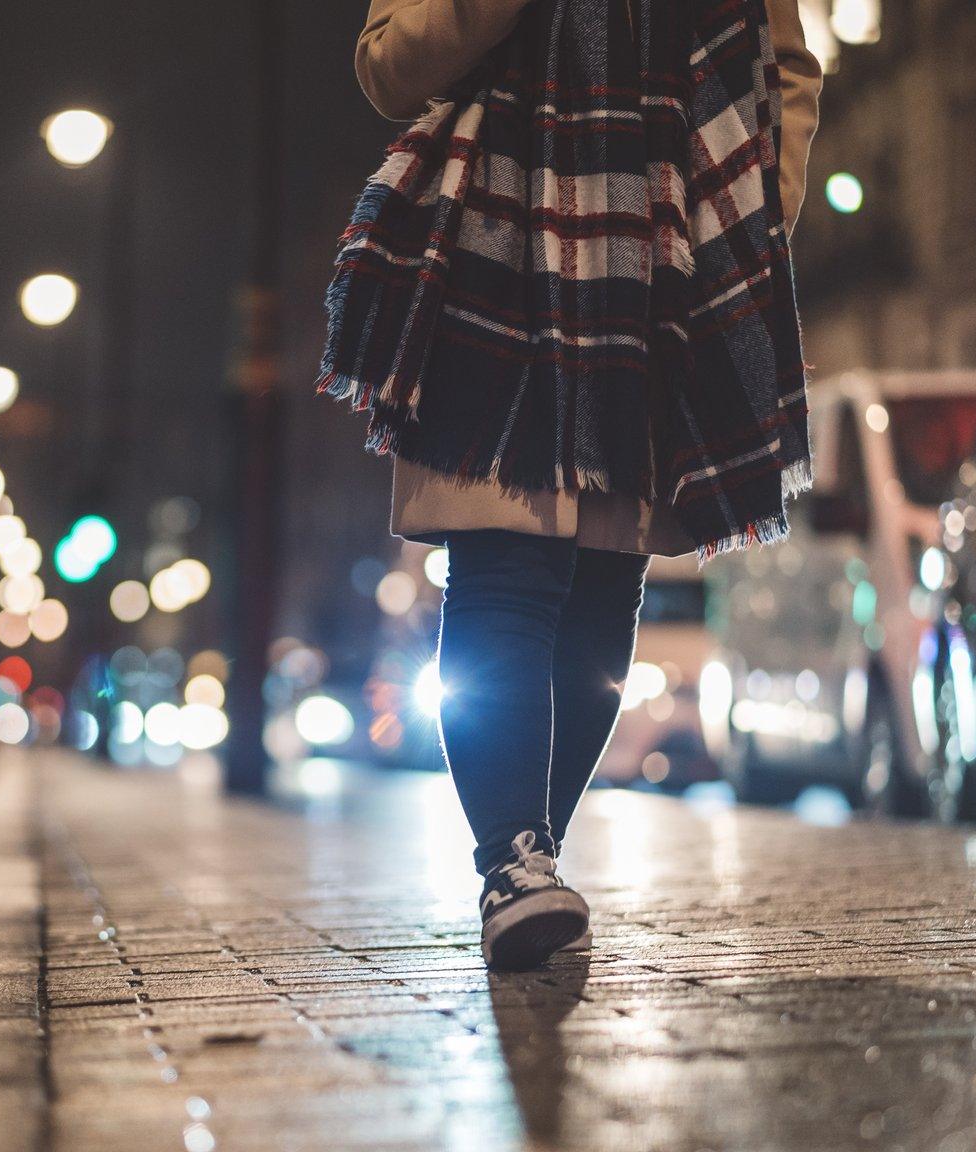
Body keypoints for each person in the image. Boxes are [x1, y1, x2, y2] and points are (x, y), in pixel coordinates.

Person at [335, 0, 823, 969]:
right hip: (493, 248)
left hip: (655, 248)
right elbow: (386, 63)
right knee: (505, 572)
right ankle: (511, 859)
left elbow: (785, 70)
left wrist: (750, 207)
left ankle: (529, 855)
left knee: (604, 582)